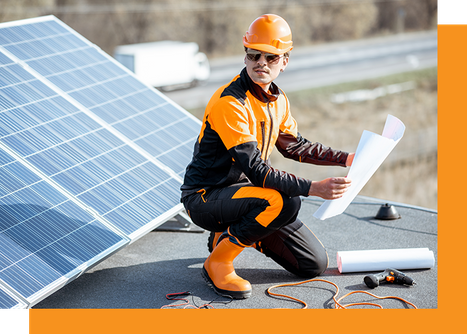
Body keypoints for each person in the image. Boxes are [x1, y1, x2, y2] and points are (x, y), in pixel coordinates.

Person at [180, 14, 354, 299]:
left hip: (242, 197)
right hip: (204, 197)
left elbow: (295, 146)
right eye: (254, 55)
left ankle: (233, 235)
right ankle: (218, 260)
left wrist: (347, 158)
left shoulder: (278, 100)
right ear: (246, 55)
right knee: (284, 201)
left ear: (284, 61)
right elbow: (258, 171)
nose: (261, 62)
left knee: (313, 264)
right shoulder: (231, 103)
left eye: (271, 57)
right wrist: (314, 188)